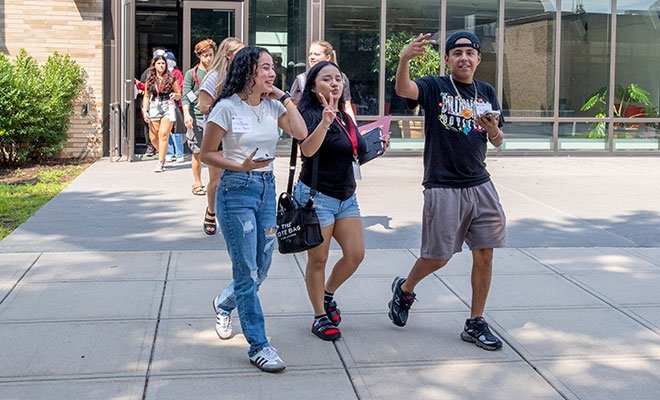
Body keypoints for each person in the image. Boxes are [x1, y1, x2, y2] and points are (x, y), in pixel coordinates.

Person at [387, 31, 506, 351]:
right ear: (448, 59)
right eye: (457, 53)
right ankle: (406, 289)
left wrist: (491, 127)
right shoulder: (434, 87)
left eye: (470, 52)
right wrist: (404, 59)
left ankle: (475, 321)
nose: (464, 58)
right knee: (437, 257)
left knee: (485, 252)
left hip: (480, 183)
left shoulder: (487, 91)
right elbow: (403, 89)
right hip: (442, 184)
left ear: (479, 59)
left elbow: (497, 140)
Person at [200, 46, 308, 372]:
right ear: (248, 72)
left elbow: (301, 133)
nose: (271, 73)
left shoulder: (274, 105)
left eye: (272, 67)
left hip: (266, 189)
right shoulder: (226, 109)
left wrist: (285, 96)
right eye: (264, 68)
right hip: (236, 193)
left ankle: (224, 302)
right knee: (247, 272)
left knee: (262, 268)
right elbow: (206, 153)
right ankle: (259, 345)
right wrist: (239, 165)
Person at [294, 60, 372, 341]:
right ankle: (318, 315)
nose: (335, 84)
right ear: (314, 87)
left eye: (338, 79)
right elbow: (308, 150)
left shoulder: (345, 116)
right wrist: (325, 123)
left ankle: (327, 294)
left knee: (355, 255)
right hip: (317, 197)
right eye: (326, 79)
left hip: (346, 196)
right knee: (319, 259)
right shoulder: (308, 114)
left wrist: (375, 145)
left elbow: (354, 152)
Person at [198, 37, 245, 235]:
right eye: (240, 53)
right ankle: (211, 211)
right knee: (216, 181)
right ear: (228, 55)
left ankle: (236, 214)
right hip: (217, 133)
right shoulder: (213, 77)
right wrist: (225, 105)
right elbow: (203, 106)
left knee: (241, 176)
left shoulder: (244, 76)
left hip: (239, 132)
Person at [289, 40, 357, 123]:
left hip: (336, 125)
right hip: (310, 125)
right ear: (313, 86)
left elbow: (347, 106)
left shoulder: (343, 78)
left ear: (328, 57)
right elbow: (293, 107)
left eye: (316, 54)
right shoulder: (301, 79)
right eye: (310, 54)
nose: (312, 57)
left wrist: (353, 129)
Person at [182, 38, 216, 196]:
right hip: (197, 116)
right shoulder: (192, 74)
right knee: (197, 152)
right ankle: (197, 182)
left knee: (212, 152)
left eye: (210, 55)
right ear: (199, 56)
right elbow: (185, 96)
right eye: (205, 55)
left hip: (214, 118)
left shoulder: (217, 73)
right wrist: (187, 114)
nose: (208, 58)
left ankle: (213, 182)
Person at [141, 54, 182, 172]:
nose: (161, 65)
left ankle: (160, 162)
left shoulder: (171, 78)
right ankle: (163, 153)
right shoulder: (150, 79)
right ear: (154, 65)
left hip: (167, 105)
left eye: (163, 63)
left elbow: (179, 93)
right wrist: (145, 111)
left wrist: (175, 95)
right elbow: (147, 96)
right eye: (159, 63)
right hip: (154, 105)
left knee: (163, 134)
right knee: (153, 137)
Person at [164, 51, 185, 163]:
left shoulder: (177, 73)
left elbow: (180, 88)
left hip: (175, 105)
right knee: (167, 130)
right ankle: (169, 153)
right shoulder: (163, 74)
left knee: (176, 130)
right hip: (165, 104)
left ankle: (179, 153)